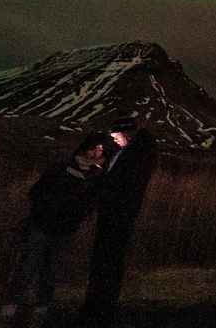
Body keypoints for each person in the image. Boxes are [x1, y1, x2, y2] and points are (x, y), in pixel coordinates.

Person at [0, 134, 109, 326]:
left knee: (50, 270)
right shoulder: (61, 168)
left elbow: (90, 203)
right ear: (86, 148)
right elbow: (37, 192)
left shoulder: (95, 176)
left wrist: (77, 215)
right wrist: (46, 209)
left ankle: (41, 308)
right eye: (95, 148)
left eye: (101, 150)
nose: (98, 152)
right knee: (28, 266)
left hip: (64, 229)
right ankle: (10, 306)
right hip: (42, 224)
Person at [81, 114, 158, 324]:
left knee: (110, 261)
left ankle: (101, 308)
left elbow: (123, 184)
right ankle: (96, 304)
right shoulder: (124, 153)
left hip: (119, 215)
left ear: (127, 134)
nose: (114, 139)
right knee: (104, 260)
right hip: (111, 213)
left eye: (116, 135)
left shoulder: (138, 155)